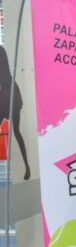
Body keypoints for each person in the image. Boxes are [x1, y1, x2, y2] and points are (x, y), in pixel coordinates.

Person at [0, 45, 31, 180]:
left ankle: (27, 166)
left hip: (8, 94)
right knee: (17, 132)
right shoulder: (2, 52)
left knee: (17, 132)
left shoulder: (0, 52)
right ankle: (27, 166)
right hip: (9, 92)